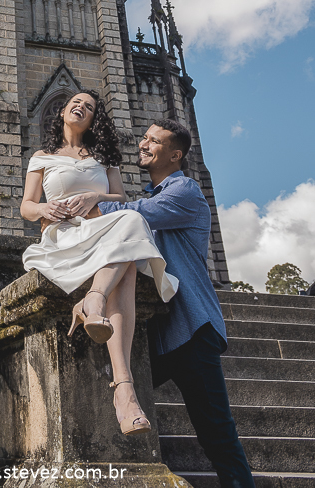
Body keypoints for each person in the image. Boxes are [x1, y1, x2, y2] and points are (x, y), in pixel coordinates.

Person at [99, 120, 255, 488]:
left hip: (192, 328)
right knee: (114, 395)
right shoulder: (157, 195)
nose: (144, 143)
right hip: (160, 332)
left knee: (218, 435)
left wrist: (86, 198)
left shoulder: (183, 191)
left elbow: (131, 214)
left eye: (153, 140)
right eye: (145, 137)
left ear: (175, 155)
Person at [20, 91, 178, 436]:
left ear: (94, 120)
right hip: (63, 235)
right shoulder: (42, 157)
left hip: (99, 226)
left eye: (89, 107)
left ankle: (94, 303)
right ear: (63, 111)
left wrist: (95, 196)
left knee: (131, 223)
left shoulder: (103, 156)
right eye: (76, 102)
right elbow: (27, 206)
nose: (81, 107)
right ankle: (125, 391)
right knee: (128, 263)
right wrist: (45, 209)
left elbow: (120, 199)